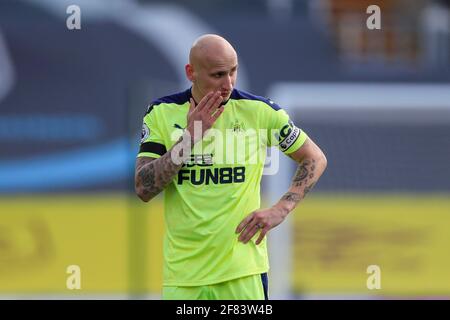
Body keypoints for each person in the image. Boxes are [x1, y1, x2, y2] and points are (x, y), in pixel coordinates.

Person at [134, 34, 327, 300]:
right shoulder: (162, 113)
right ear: (191, 73)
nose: (228, 84)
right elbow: (143, 188)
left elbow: (314, 158)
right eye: (217, 75)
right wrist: (189, 138)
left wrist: (281, 209)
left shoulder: (259, 112)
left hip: (243, 273)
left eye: (233, 71)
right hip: (183, 276)